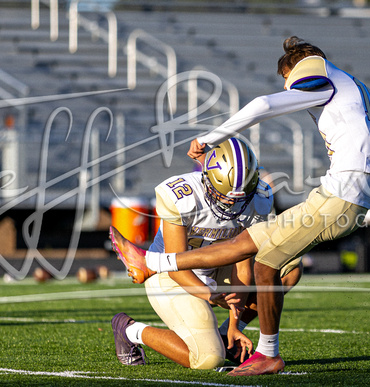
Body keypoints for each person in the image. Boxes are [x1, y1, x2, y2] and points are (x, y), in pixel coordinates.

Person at [110, 36, 370, 376]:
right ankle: (219, 327)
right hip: (341, 198)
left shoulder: (316, 72)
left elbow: (264, 104)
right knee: (268, 256)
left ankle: (265, 352)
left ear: (293, 68)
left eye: (286, 79)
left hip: (340, 196)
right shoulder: (362, 98)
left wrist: (210, 138)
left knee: (266, 260)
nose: (288, 87)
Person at [111, 137, 304, 370]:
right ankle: (130, 329)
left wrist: (234, 325)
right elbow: (176, 267)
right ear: (208, 178)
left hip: (219, 267)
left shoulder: (258, 199)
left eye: (238, 197)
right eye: (223, 194)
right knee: (208, 359)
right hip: (171, 275)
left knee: (288, 268)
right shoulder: (182, 195)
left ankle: (225, 336)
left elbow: (242, 265)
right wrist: (209, 294)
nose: (229, 204)